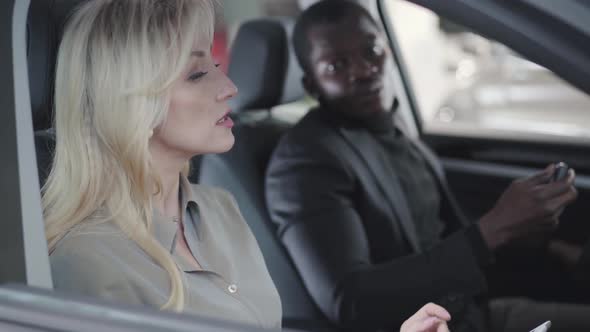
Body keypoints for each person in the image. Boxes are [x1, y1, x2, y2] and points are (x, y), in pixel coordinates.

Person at [42, 1, 447, 331]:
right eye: (198, 73)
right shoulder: (86, 266)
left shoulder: (220, 208)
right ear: (131, 102)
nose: (230, 88)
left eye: (216, 67)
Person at [265, 1, 590, 331]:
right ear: (311, 86)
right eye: (336, 66)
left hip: (475, 315)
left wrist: (552, 247)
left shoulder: (390, 128)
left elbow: (446, 237)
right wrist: (495, 227)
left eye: (371, 50)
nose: (364, 70)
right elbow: (351, 301)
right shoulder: (304, 161)